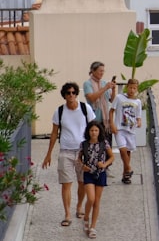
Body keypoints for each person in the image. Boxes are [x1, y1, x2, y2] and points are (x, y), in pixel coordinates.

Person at [42, 82, 94, 227]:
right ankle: (67, 214)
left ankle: (79, 207)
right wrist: (48, 154)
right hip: (65, 151)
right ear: (64, 95)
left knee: (82, 182)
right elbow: (54, 133)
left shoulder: (85, 108)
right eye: (68, 93)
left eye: (73, 92)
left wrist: (96, 149)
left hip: (83, 152)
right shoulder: (59, 111)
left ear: (77, 94)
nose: (71, 95)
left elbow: (94, 128)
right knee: (66, 184)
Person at [79, 120, 114, 238]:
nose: (94, 133)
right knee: (91, 198)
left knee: (97, 201)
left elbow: (112, 157)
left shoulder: (104, 143)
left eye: (96, 130)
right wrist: (82, 166)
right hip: (89, 173)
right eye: (92, 130)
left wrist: (105, 165)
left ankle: (93, 227)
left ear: (99, 132)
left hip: (100, 174)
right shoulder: (84, 144)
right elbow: (78, 158)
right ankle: (86, 217)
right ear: (88, 131)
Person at [109, 78, 143, 184]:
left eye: (134, 88)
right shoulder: (119, 98)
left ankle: (126, 175)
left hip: (130, 130)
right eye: (130, 87)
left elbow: (138, 116)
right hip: (119, 129)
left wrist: (139, 122)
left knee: (127, 152)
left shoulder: (138, 102)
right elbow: (111, 111)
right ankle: (129, 168)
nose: (132, 90)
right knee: (122, 150)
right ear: (127, 86)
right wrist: (112, 124)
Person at [83, 61, 116, 145]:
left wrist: (113, 89)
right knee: (96, 145)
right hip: (94, 119)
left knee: (107, 145)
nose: (102, 73)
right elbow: (92, 98)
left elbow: (111, 100)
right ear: (93, 71)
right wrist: (105, 88)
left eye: (103, 71)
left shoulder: (104, 83)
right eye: (100, 70)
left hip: (106, 120)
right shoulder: (87, 84)